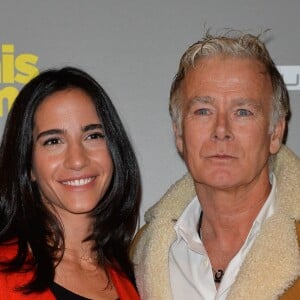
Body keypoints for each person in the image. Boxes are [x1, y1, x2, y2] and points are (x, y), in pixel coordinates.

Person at [132, 31, 300, 299]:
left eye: (243, 112)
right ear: (179, 134)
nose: (221, 130)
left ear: (275, 133)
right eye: (203, 111)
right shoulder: (142, 255)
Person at [0, 67, 141, 299]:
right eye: (53, 141)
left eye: (92, 136)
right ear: (27, 165)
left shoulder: (138, 281)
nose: (77, 160)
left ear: (114, 150)